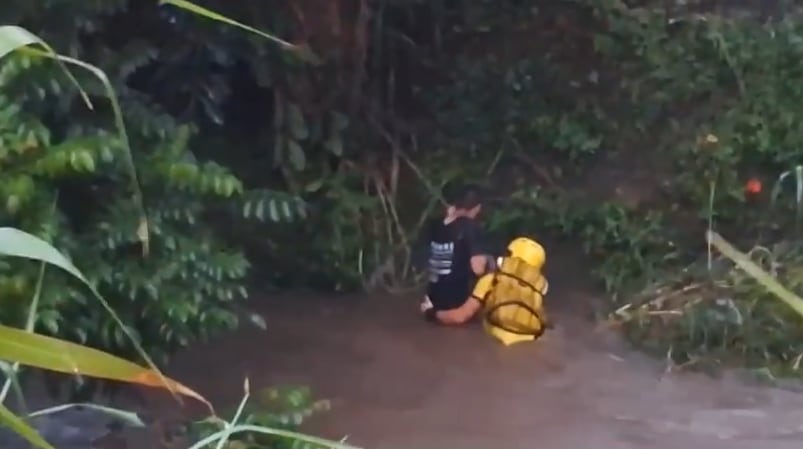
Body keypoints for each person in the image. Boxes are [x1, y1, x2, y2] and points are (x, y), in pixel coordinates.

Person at [422, 236, 552, 346]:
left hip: (495, 339)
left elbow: (460, 317)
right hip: (530, 342)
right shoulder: (537, 289)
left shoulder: (491, 280)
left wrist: (431, 313)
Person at [420, 184, 493, 315]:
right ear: (477, 208)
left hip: (431, 300)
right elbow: (478, 269)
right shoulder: (471, 227)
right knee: (489, 264)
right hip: (457, 304)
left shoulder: (435, 224)